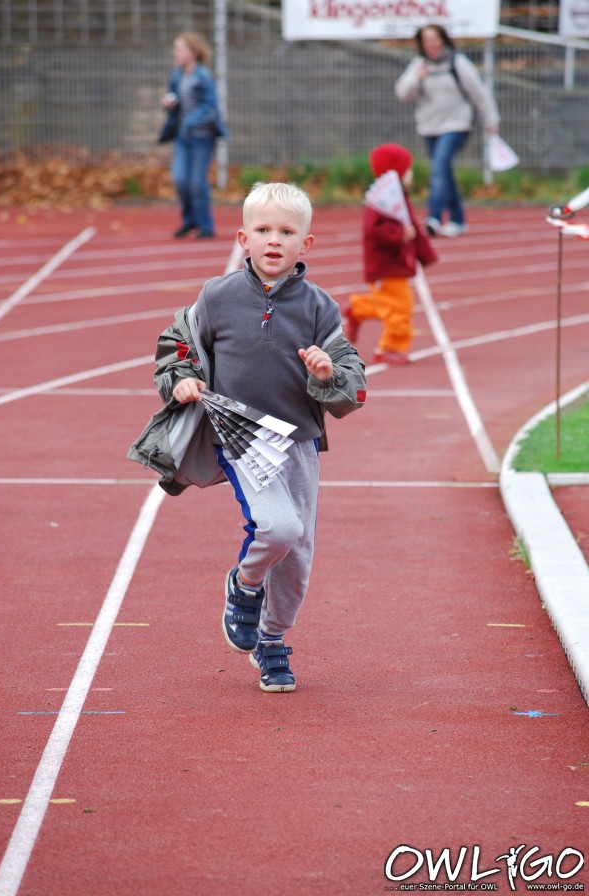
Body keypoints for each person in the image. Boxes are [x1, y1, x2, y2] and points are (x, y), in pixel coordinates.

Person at [154, 182, 366, 692]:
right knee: (277, 528)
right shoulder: (217, 296)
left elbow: (352, 385)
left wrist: (323, 374)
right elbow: (177, 348)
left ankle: (272, 640)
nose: (275, 240)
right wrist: (180, 379)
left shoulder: (320, 308)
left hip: (298, 442)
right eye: (264, 231)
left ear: (305, 245)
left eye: (287, 232)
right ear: (244, 238)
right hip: (240, 438)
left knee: (297, 556)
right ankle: (244, 585)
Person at [395, 23, 500, 237]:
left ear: (443, 39)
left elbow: (479, 93)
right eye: (426, 40)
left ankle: (433, 216)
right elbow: (403, 93)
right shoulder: (419, 65)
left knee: (439, 166)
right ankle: (458, 219)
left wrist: (491, 121)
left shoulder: (458, 63)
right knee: (443, 171)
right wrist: (418, 77)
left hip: (456, 125)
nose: (431, 44)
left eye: (434, 39)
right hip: (429, 127)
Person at [344, 143, 437, 366]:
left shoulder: (399, 199)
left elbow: (413, 227)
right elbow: (373, 231)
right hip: (385, 265)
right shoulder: (380, 203)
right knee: (401, 307)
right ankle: (391, 347)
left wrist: (425, 254)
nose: (411, 174)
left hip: (397, 263)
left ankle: (358, 309)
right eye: (408, 170)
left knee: (389, 305)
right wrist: (399, 234)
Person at [161, 31, 227, 239]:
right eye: (175, 49)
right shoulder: (177, 75)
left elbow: (211, 106)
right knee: (180, 179)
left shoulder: (203, 76)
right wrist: (170, 106)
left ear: (193, 52)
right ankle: (189, 220)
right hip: (183, 136)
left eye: (180, 49)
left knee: (197, 182)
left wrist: (192, 121)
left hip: (202, 137)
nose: (176, 53)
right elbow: (177, 105)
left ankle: (205, 225)